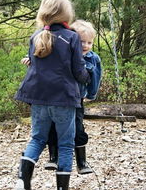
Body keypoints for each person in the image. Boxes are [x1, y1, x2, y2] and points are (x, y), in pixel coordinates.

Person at [14, 0, 90, 190]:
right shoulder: (72, 37)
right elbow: (77, 70)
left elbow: (36, 65)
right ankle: (61, 187)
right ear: (66, 14)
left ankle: (23, 180)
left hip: (38, 98)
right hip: (63, 99)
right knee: (65, 144)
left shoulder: (36, 36)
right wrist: (88, 78)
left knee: (38, 138)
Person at [44, 20, 102, 175]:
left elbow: (95, 77)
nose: (85, 45)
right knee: (53, 126)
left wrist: (91, 94)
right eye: (82, 41)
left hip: (77, 99)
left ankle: (81, 162)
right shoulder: (63, 53)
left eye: (89, 42)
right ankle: (53, 158)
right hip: (57, 97)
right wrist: (29, 58)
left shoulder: (93, 59)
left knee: (78, 128)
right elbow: (42, 53)